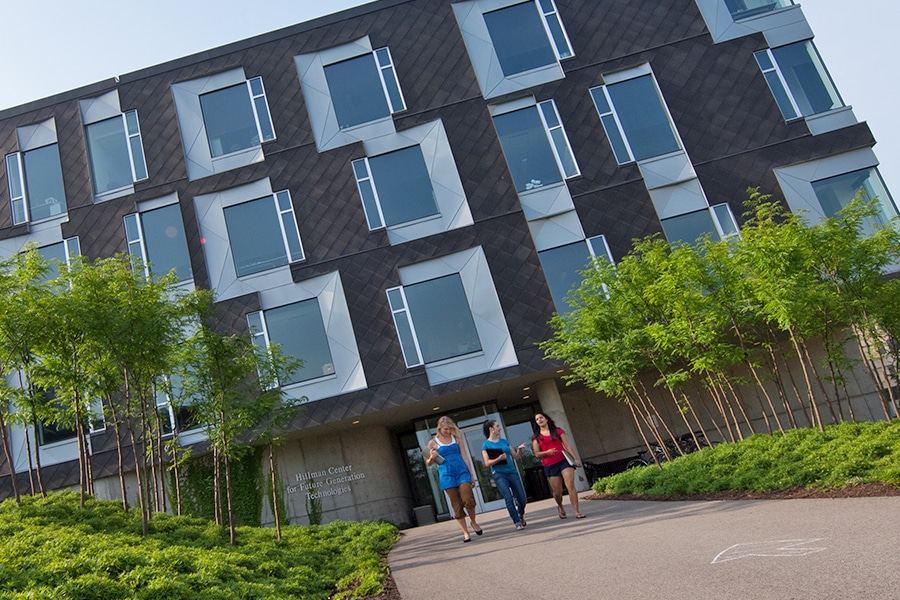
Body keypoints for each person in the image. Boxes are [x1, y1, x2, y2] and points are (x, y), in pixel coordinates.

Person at [426, 416, 483, 542]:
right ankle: (465, 533)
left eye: (450, 429)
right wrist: (432, 456)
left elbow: (465, 456)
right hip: (447, 475)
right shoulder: (433, 442)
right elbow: (428, 463)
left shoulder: (457, 439)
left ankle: (473, 521)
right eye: (446, 429)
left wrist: (471, 474)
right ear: (440, 428)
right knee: (456, 505)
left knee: (468, 498)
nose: (448, 431)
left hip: (461, 471)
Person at [532, 412, 585, 519]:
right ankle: (560, 506)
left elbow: (567, 445)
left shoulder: (558, 431)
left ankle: (576, 511)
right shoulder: (536, 438)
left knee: (570, 484)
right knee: (557, 492)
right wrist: (547, 452)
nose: (539, 420)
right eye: (537, 419)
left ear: (546, 419)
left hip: (563, 460)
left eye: (541, 417)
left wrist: (575, 459)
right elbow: (537, 454)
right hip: (550, 464)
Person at [481, 419, 528, 530]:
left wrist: (520, 450)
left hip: (512, 471)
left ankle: (520, 514)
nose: (499, 428)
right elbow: (487, 463)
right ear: (491, 429)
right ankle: (517, 522)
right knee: (508, 497)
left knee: (522, 498)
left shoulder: (504, 441)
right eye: (497, 426)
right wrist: (498, 458)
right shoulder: (486, 445)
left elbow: (516, 456)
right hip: (499, 474)